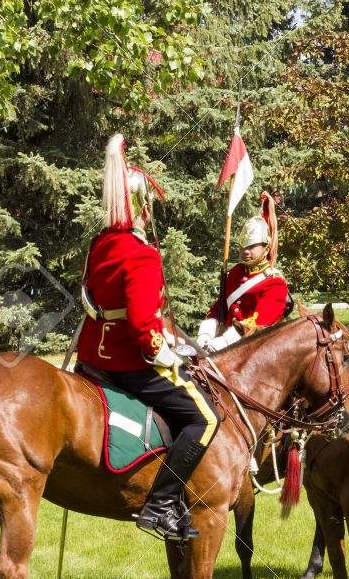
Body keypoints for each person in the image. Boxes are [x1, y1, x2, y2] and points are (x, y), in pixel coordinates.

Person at [76, 135, 220, 542]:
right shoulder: (141, 253)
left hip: (94, 358)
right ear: (141, 205)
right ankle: (160, 504)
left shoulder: (100, 244)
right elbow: (142, 325)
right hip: (129, 363)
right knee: (203, 418)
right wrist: (165, 354)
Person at [197, 195, 289, 352]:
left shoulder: (275, 282)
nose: (245, 251)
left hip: (254, 346)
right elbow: (221, 306)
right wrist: (207, 330)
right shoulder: (236, 272)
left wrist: (227, 340)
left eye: (251, 246)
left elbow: (260, 320)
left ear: (266, 248)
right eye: (242, 246)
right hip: (225, 343)